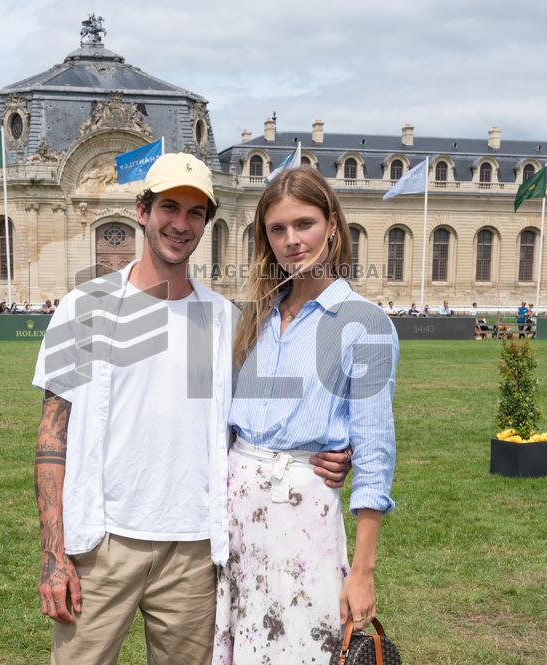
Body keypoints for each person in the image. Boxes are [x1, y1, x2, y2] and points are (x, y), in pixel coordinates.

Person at [30, 154, 351, 665]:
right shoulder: (83, 307)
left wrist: (337, 450)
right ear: (142, 210)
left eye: (195, 213)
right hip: (100, 546)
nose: (181, 224)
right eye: (169, 208)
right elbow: (51, 439)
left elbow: (275, 416)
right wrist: (53, 555)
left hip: (195, 552)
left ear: (207, 222)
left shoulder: (223, 321)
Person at [214, 166, 396, 663]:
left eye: (305, 224)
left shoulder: (364, 323)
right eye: (278, 229)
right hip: (234, 511)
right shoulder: (254, 316)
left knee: (302, 647)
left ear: (332, 224)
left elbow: (376, 450)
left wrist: (363, 571)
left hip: (303, 510)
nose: (292, 240)